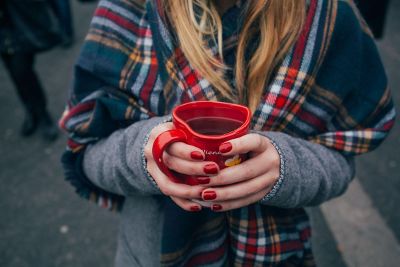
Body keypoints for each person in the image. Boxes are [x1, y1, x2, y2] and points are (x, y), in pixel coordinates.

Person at [59, 0, 396, 266]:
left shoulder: (327, 16)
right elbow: (87, 151)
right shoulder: (131, 8)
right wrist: (147, 151)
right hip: (151, 254)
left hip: (275, 254)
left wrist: (285, 167)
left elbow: (341, 160)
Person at [0, 0, 60, 141]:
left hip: (17, 21)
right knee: (14, 74)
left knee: (22, 70)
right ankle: (31, 111)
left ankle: (43, 114)